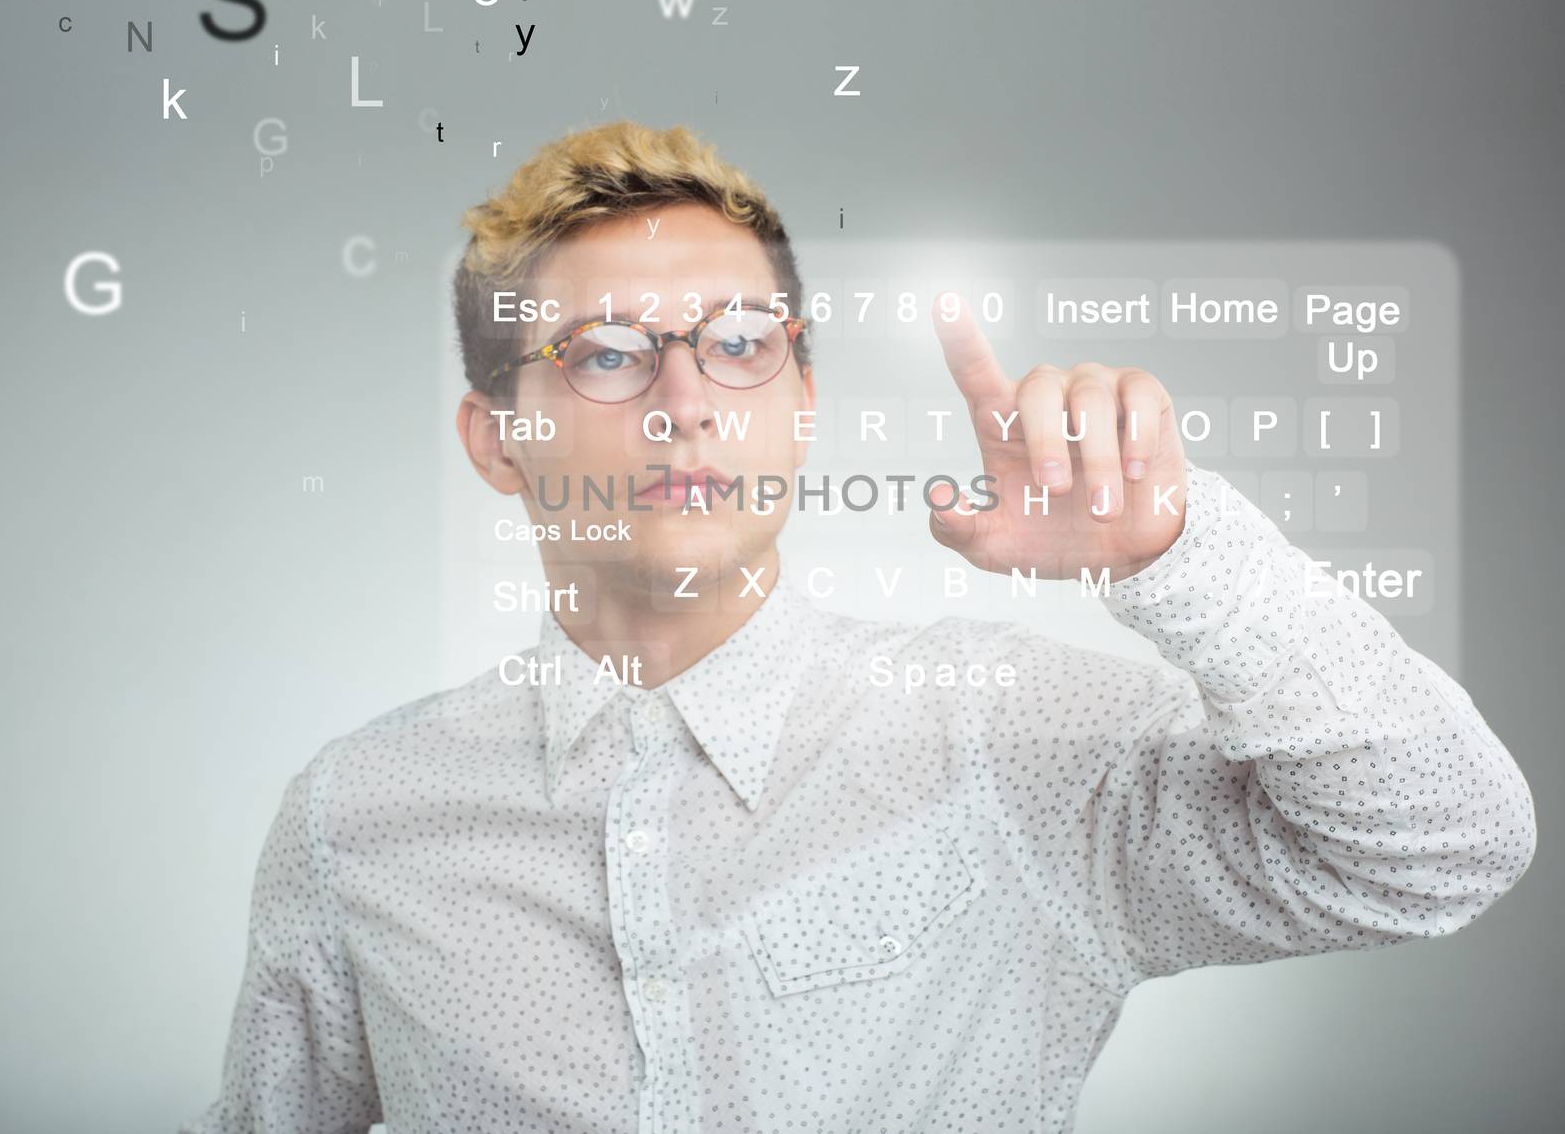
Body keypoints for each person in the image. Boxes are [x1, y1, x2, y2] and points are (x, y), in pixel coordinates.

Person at [182, 121, 1537, 1134]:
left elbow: (1442, 848)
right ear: (498, 439)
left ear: (804, 403)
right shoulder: (355, 818)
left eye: (738, 343)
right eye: (605, 352)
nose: (686, 400)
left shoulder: (1012, 739)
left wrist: (1177, 558)